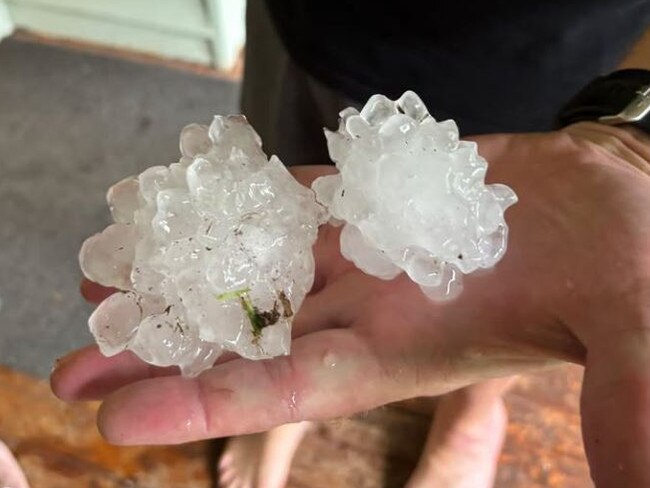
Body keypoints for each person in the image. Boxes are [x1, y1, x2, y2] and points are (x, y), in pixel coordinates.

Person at [51, 1, 650, 487]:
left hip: (544, 57)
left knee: (513, 296)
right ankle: (285, 409)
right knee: (286, 147)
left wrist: (632, 145)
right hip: (315, 28)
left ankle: (470, 412)